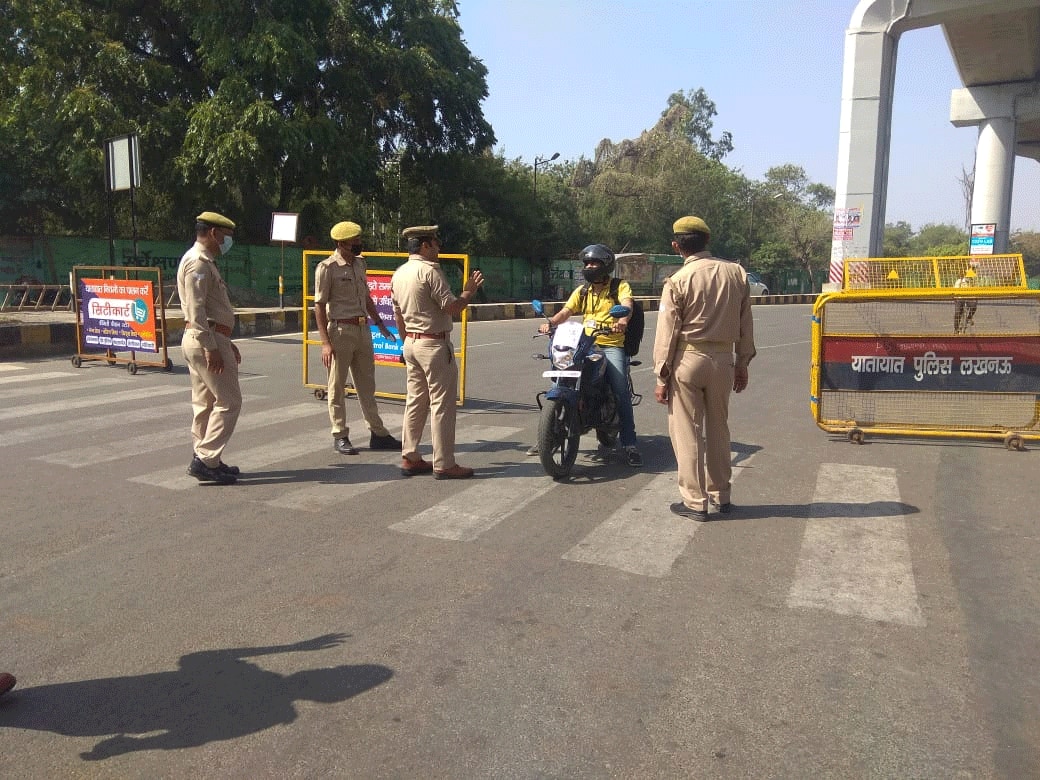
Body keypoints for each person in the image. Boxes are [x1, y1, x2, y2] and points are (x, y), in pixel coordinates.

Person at [653, 216, 756, 520]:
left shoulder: (677, 281)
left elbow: (667, 333)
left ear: (676, 246)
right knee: (719, 428)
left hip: (688, 360)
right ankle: (721, 495)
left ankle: (695, 501)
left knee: (687, 432)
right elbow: (745, 324)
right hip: (724, 361)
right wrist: (742, 362)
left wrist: (661, 375)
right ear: (707, 241)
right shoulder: (736, 274)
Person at [530, 244, 642, 466]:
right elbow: (566, 312)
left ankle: (630, 444)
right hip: (584, 344)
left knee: (620, 390)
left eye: (594, 263)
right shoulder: (583, 290)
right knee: (561, 378)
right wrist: (550, 323)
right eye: (587, 263)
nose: (590, 267)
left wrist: (622, 320)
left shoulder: (619, 286)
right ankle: (548, 435)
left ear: (606, 266)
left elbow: (627, 304)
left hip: (610, 344)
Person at [390, 225, 483, 479]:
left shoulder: (399, 274)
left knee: (415, 402)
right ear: (425, 245)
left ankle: (410, 455)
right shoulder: (430, 272)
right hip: (433, 345)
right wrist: (468, 292)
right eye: (436, 242)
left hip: (411, 343)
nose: (439, 247)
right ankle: (444, 463)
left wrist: (406, 342)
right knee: (441, 405)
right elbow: (452, 307)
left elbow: (397, 314)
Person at [314, 221, 401, 455]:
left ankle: (378, 433)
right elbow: (319, 306)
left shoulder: (360, 264)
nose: (359, 244)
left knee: (367, 385)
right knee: (337, 385)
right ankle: (340, 434)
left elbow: (368, 298)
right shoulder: (327, 267)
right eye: (355, 241)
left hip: (363, 331)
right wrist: (325, 343)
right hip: (340, 331)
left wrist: (380, 325)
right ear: (341, 243)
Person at [177, 211, 243, 486]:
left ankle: (208, 459)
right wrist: (211, 347)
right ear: (214, 233)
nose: (227, 242)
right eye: (226, 237)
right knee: (229, 401)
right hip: (206, 339)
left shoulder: (205, 262)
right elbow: (196, 309)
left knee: (204, 403)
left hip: (211, 338)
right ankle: (205, 458)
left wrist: (226, 342)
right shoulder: (198, 263)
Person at [953, 260, 978, 333]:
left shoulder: (972, 283)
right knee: (957, 313)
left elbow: (976, 291)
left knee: (974, 306)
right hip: (960, 298)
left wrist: (975, 297)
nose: (969, 278)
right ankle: (956, 329)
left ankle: (969, 318)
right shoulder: (959, 281)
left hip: (969, 298)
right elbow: (955, 291)